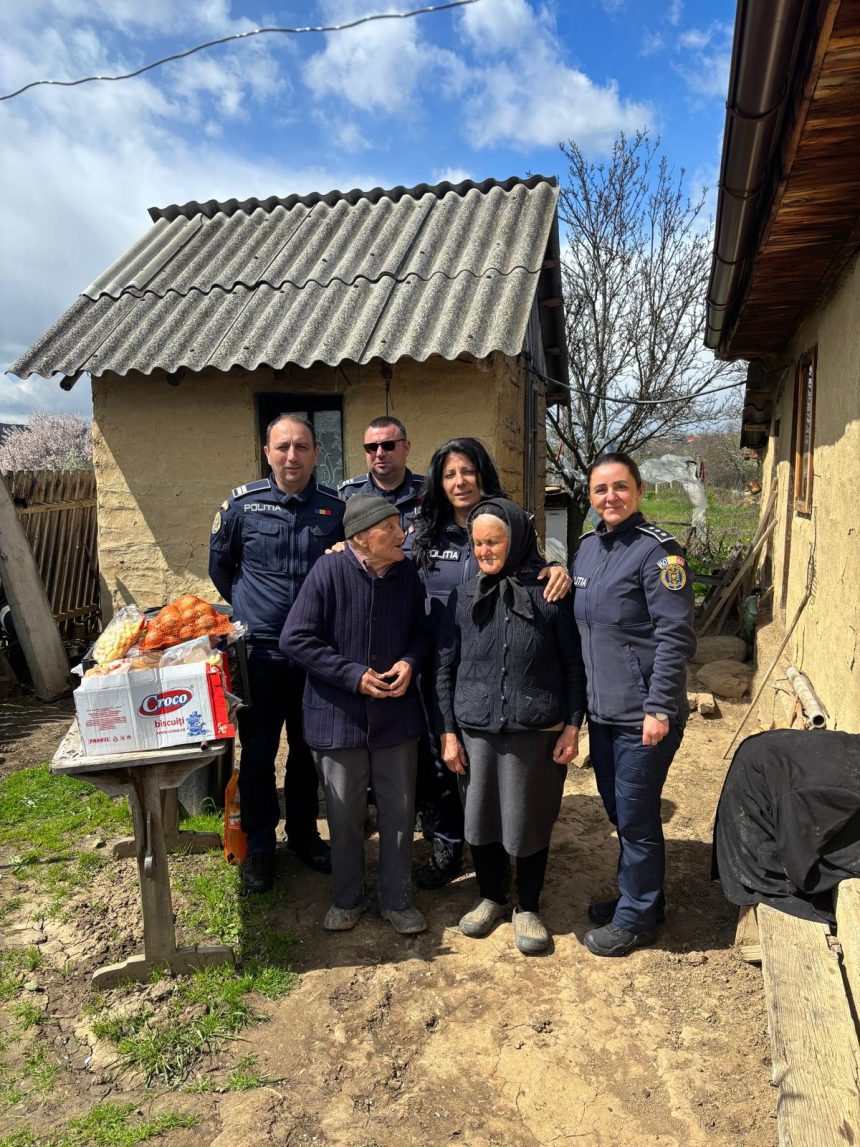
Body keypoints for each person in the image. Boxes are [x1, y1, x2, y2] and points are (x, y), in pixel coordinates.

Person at [405, 438, 572, 888]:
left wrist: (560, 569)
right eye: (449, 474)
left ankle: (502, 870)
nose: (459, 481)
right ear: (439, 483)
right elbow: (386, 564)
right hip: (438, 663)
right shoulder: (424, 531)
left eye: (468, 471)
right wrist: (345, 551)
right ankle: (448, 849)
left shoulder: (509, 522)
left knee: (490, 777)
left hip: (501, 679)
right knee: (444, 764)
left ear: (483, 475)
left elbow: (535, 571)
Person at [435, 497, 585, 955]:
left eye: (494, 541)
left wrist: (573, 725)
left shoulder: (551, 591)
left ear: (516, 538)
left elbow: (573, 666)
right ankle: (491, 897)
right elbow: (445, 667)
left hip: (534, 729)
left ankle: (528, 906)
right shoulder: (463, 596)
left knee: (529, 820)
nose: (485, 551)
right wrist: (447, 731)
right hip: (475, 727)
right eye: (478, 543)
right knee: (481, 818)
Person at [280, 495, 430, 934]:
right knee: (344, 817)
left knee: (399, 813)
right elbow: (296, 638)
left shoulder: (407, 575)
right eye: (391, 528)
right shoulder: (328, 571)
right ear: (362, 538)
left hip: (396, 719)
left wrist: (410, 662)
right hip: (337, 718)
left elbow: (424, 635)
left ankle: (397, 899)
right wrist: (351, 675)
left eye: (400, 526)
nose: (402, 534)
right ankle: (347, 898)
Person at [209, 414, 345, 893]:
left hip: (314, 653)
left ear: (315, 453)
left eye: (302, 447)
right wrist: (255, 611)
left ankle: (305, 836)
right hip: (260, 654)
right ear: (267, 452)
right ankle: (261, 846)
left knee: (309, 751)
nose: (292, 456)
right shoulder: (243, 507)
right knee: (260, 752)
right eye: (283, 447)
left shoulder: (335, 509)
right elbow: (221, 570)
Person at [570, 451, 696, 957]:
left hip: (644, 714)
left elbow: (675, 636)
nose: (610, 498)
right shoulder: (586, 549)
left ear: (639, 491)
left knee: (639, 817)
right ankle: (640, 896)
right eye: (600, 490)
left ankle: (638, 919)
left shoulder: (658, 553)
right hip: (603, 714)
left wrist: (660, 707)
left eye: (620, 487)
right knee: (621, 813)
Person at [338, 416, 424, 526]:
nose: (379, 453)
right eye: (372, 447)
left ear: (406, 447)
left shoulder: (429, 491)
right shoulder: (348, 494)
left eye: (388, 445)